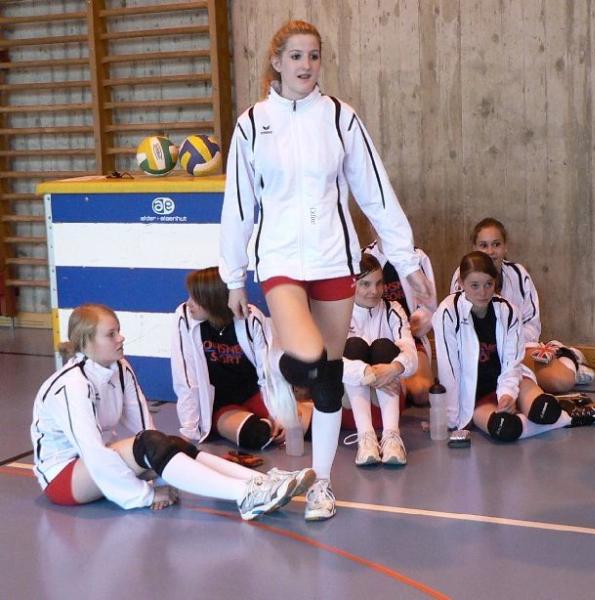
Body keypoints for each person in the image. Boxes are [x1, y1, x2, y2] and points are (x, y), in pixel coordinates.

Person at [219, 20, 434, 520]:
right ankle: (279, 366)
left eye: (313, 56)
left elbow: (375, 193)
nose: (306, 65)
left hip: (334, 260)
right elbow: (238, 205)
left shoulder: (341, 117)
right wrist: (234, 276)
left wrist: (405, 261)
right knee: (309, 358)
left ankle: (321, 484)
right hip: (278, 261)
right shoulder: (252, 124)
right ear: (277, 62)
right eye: (296, 56)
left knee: (329, 379)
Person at [31, 304, 314, 520]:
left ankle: (261, 482)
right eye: (111, 334)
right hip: (65, 479)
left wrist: (163, 469)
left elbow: (145, 428)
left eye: (119, 330)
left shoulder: (120, 368)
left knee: (168, 442)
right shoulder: (71, 385)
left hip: (96, 465)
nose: (121, 338)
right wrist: (144, 495)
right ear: (85, 343)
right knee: (150, 445)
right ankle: (247, 495)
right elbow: (93, 453)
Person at [435, 252, 595, 441]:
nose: (482, 292)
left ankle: (558, 408)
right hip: (475, 395)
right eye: (474, 285)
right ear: (461, 283)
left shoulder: (508, 311)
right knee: (504, 428)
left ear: (495, 282)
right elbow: (448, 370)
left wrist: (508, 395)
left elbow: (512, 363)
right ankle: (569, 417)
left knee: (544, 410)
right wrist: (450, 420)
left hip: (510, 380)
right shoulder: (448, 312)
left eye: (488, 284)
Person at [450, 217, 595, 393]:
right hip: (478, 356)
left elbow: (531, 325)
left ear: (505, 247)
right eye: (483, 245)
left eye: (496, 244)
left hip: (516, 350)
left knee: (560, 381)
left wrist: (508, 347)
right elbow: (457, 328)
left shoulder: (519, 275)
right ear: (474, 248)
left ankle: (568, 356)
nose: (490, 251)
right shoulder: (463, 277)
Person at [171, 267, 312, 448]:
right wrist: (189, 430)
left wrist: (277, 414)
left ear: (213, 300)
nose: (189, 303)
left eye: (196, 298)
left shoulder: (250, 317)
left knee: (305, 426)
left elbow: (267, 370)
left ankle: (309, 408)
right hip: (220, 405)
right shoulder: (185, 317)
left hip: (253, 395)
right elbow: (186, 379)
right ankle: (271, 418)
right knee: (255, 435)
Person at [342, 254, 418, 466]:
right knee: (353, 346)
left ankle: (392, 437)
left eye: (378, 283)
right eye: (365, 284)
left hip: (389, 402)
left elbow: (411, 353)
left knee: (384, 346)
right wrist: (366, 373)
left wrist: (394, 368)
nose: (374, 291)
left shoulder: (393, 309)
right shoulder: (340, 312)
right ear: (352, 284)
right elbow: (331, 364)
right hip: (350, 408)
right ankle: (365, 438)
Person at [364, 238, 436, 404]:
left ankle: (395, 383)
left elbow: (429, 306)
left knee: (421, 392)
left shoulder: (417, 256)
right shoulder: (363, 257)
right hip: (373, 335)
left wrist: (413, 324)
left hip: (409, 334)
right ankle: (392, 388)